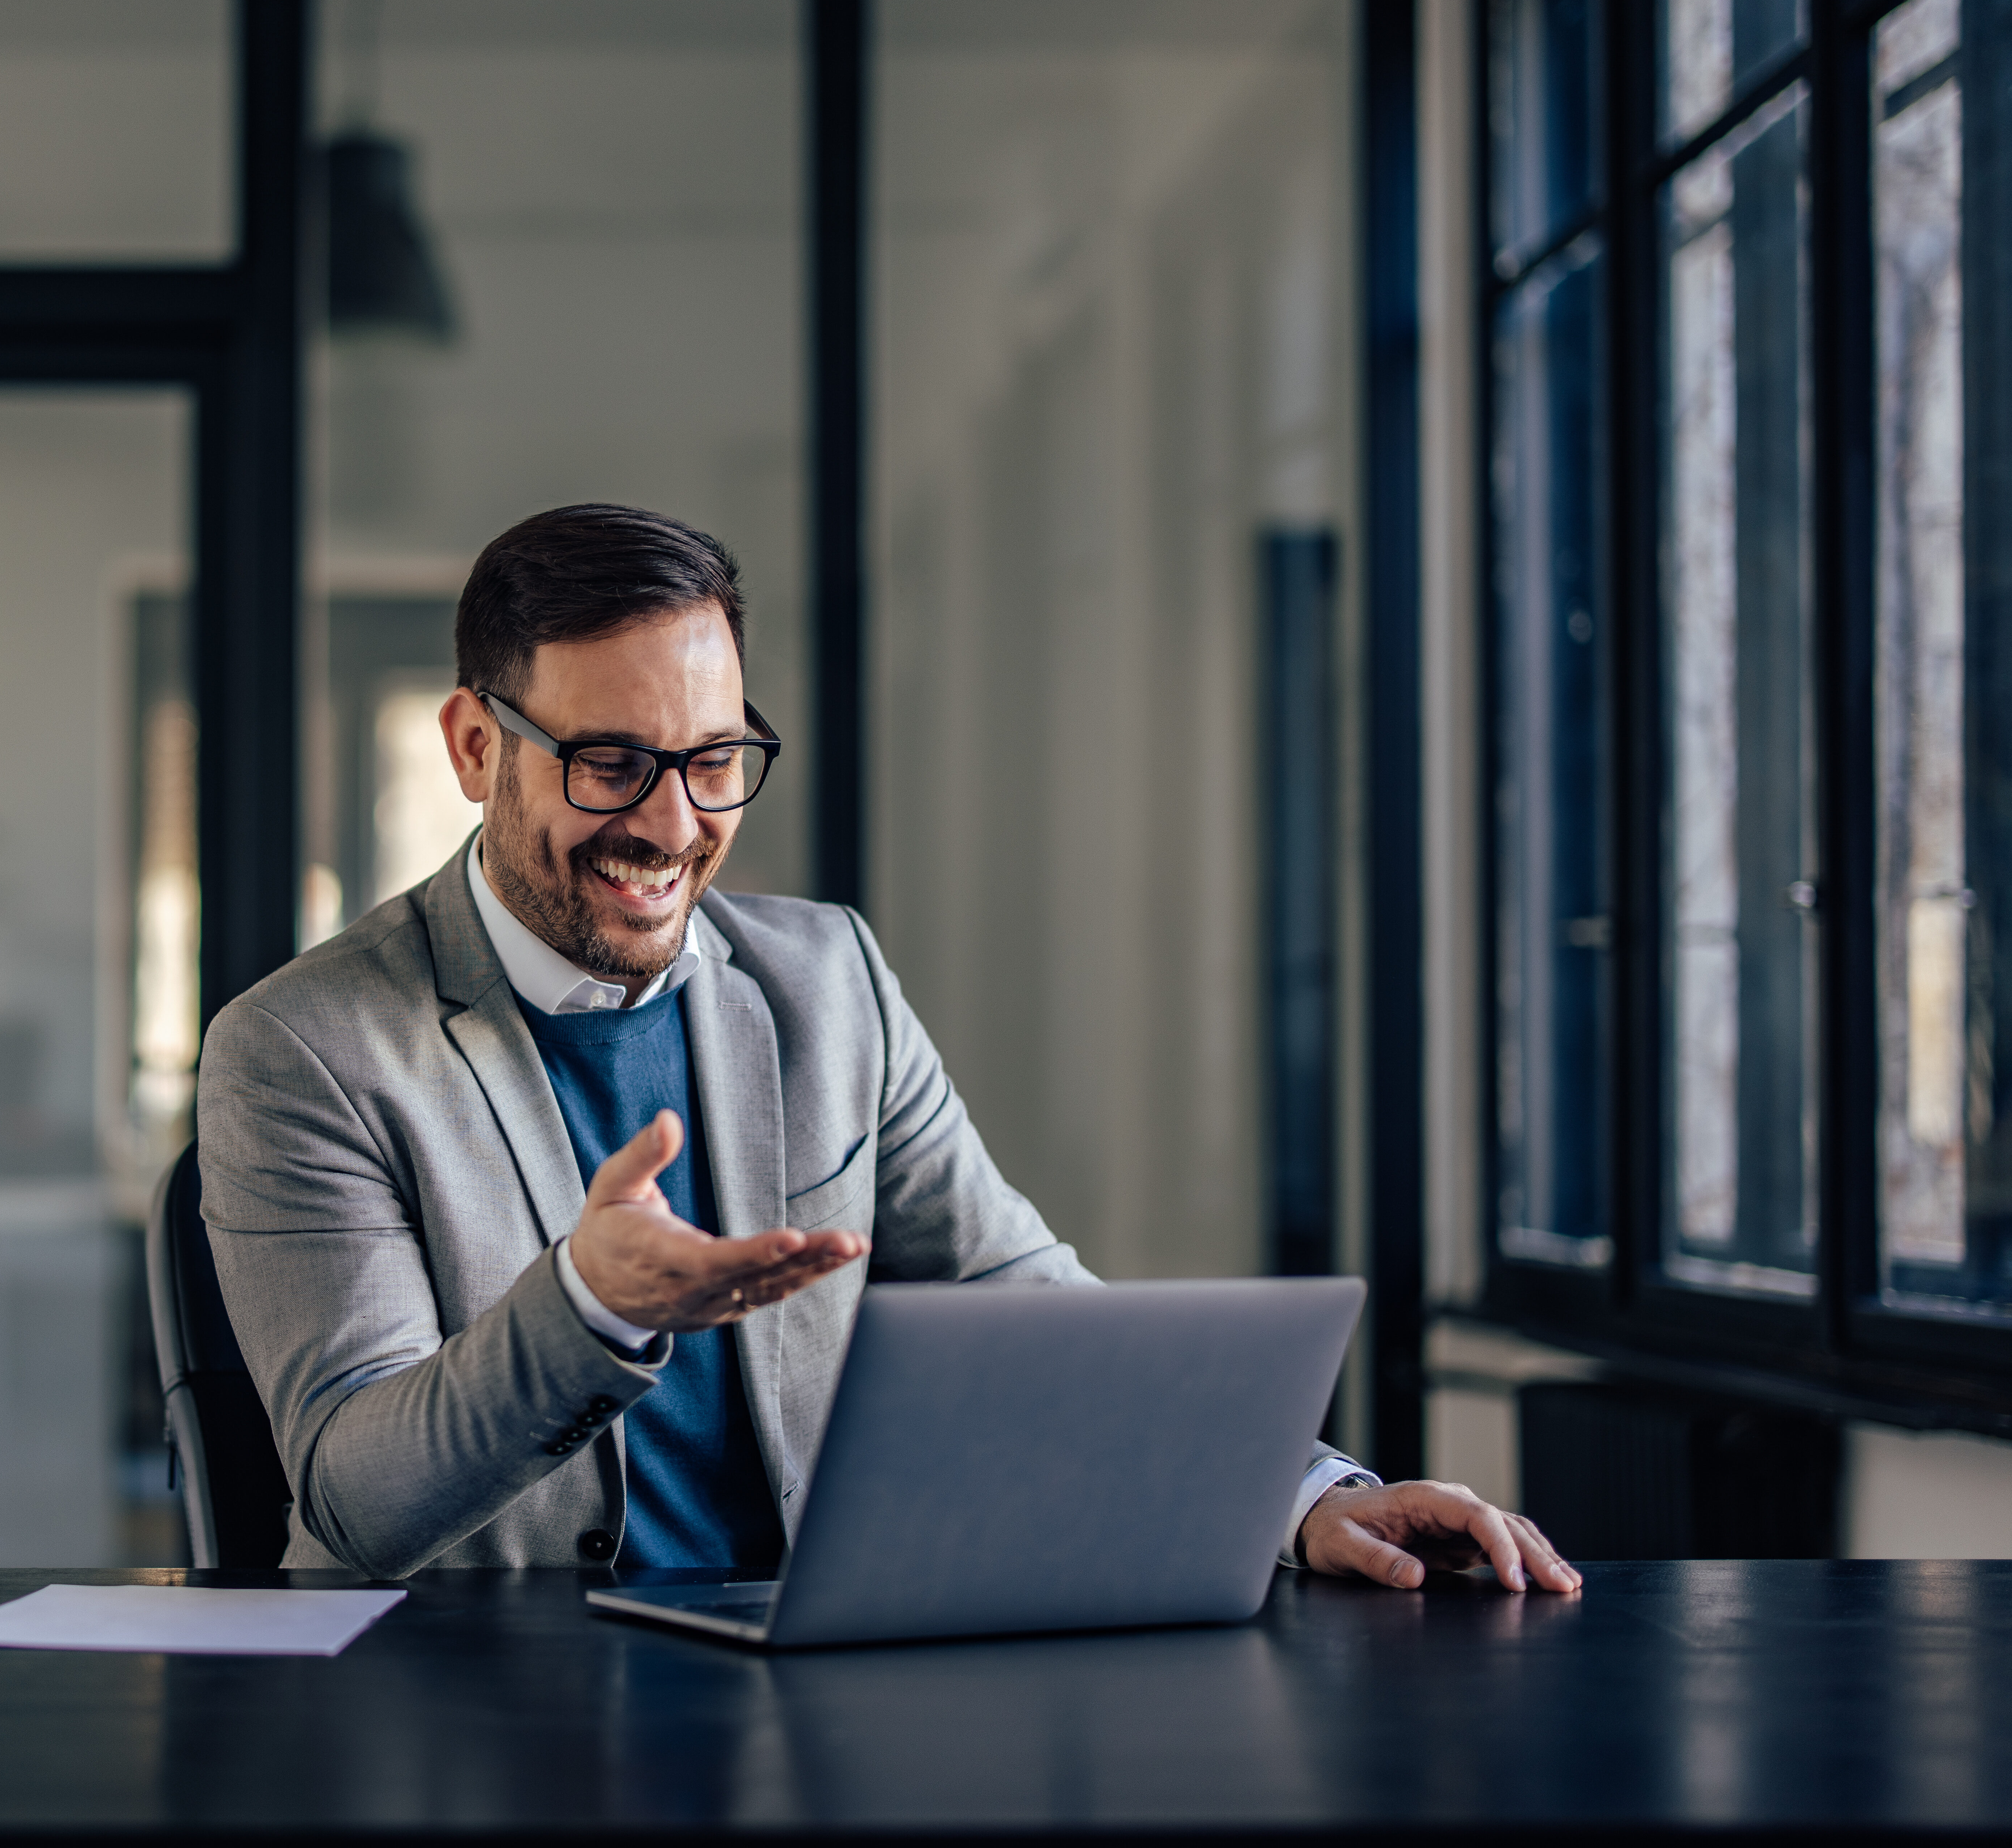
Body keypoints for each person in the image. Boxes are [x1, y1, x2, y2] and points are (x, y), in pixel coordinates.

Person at [199, 502, 1578, 1594]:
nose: (675, 829)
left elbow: (1012, 1288)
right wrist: (588, 1308)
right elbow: (359, 1503)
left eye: (714, 760)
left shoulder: (828, 984)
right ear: (470, 745)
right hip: (457, 1707)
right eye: (610, 762)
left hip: (790, 1681)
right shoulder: (300, 1050)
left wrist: (1305, 1497)